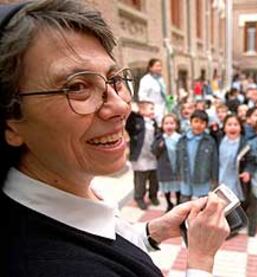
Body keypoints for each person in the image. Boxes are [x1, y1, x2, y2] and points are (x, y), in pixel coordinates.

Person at [0, 1, 229, 276]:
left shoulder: (69, 189)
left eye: (114, 79)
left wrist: (153, 232)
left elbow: (100, 244)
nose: (121, 107)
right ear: (11, 122)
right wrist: (200, 261)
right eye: (77, 87)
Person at [176, 110, 218, 202]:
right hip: (186, 176)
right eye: (196, 121)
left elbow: (214, 161)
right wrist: (177, 173)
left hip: (203, 177)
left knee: (202, 202)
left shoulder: (210, 141)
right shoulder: (182, 140)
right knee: (184, 201)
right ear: (190, 122)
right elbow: (177, 158)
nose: (198, 125)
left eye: (202, 123)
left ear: (206, 125)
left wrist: (214, 178)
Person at [126, 101, 159, 210]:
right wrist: (134, 111)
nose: (153, 111)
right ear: (142, 111)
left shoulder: (154, 122)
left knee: (154, 179)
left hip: (152, 155)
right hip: (140, 156)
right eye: (151, 108)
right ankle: (139, 197)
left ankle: (153, 195)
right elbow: (129, 122)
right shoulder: (136, 121)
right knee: (140, 180)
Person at [151, 114, 182, 212]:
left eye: (172, 123)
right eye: (166, 123)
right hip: (164, 168)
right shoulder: (159, 138)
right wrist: (159, 146)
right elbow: (154, 151)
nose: (169, 126)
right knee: (166, 187)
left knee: (177, 187)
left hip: (176, 167)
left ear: (176, 125)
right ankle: (169, 203)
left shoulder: (179, 138)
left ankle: (178, 202)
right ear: (162, 125)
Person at [138, 58, 167, 125]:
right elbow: (142, 96)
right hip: (153, 111)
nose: (160, 68)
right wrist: (150, 108)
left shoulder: (160, 79)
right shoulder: (146, 80)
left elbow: (163, 94)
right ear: (150, 68)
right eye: (157, 66)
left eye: (160, 66)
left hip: (163, 108)